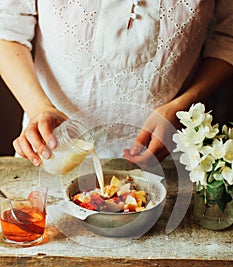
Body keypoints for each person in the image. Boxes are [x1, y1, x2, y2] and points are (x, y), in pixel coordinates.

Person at [0, 1, 232, 168]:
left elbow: (227, 36)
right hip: (54, 152)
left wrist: (183, 106)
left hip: (166, 157)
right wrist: (38, 108)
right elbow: (6, 31)